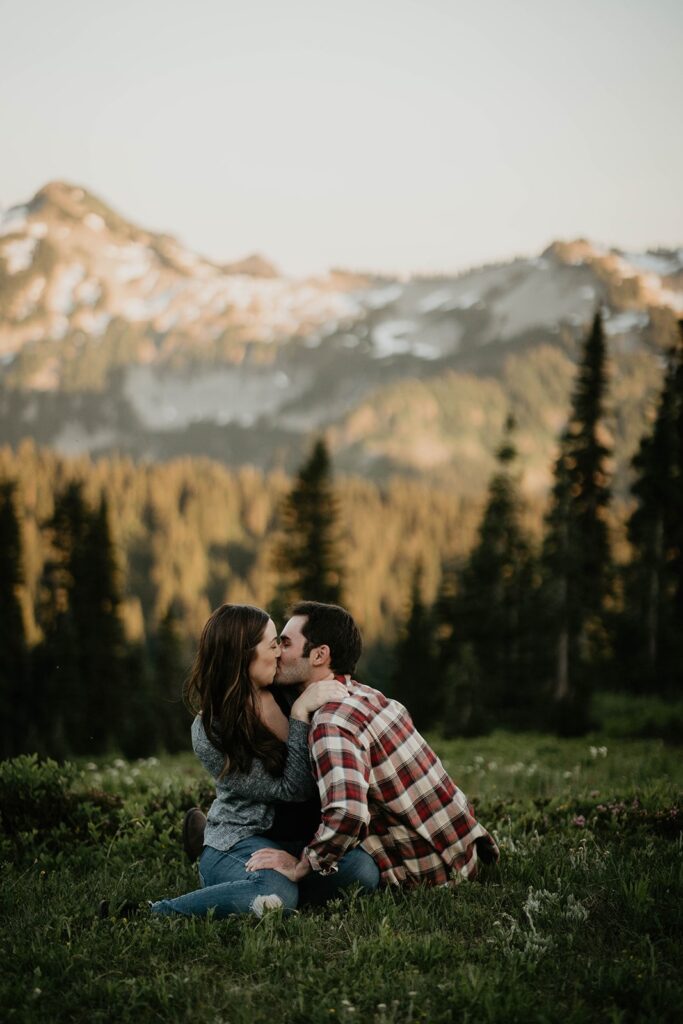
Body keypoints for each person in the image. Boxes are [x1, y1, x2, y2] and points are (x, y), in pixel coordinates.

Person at [100, 604, 379, 920]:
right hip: (246, 839)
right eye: (272, 644)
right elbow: (292, 789)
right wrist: (300, 715)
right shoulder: (212, 730)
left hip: (302, 843)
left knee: (363, 872)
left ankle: (257, 890)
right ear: (242, 654)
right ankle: (154, 911)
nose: (279, 653)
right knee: (274, 894)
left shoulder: (288, 688)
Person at [212, 601, 499, 889]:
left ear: (319, 655)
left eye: (285, 643)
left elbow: (347, 812)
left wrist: (303, 865)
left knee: (347, 869)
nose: (277, 653)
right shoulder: (369, 696)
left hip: (423, 872)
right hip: (462, 856)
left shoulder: (331, 722)